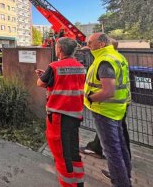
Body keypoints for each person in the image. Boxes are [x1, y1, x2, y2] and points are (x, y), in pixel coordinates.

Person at [36, 37, 86, 187]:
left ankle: (68, 184)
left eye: (56, 47)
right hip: (75, 114)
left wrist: (43, 76)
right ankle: (78, 182)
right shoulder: (80, 66)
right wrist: (48, 75)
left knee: (61, 155)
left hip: (59, 116)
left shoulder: (55, 66)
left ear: (60, 50)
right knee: (73, 152)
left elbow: (40, 83)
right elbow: (67, 83)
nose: (56, 49)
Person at [84, 33, 131, 187]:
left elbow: (108, 91)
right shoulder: (117, 57)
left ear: (102, 44)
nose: (88, 45)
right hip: (117, 108)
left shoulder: (105, 61)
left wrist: (90, 98)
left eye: (90, 42)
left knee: (112, 150)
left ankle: (120, 182)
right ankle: (124, 175)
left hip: (105, 110)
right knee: (120, 146)